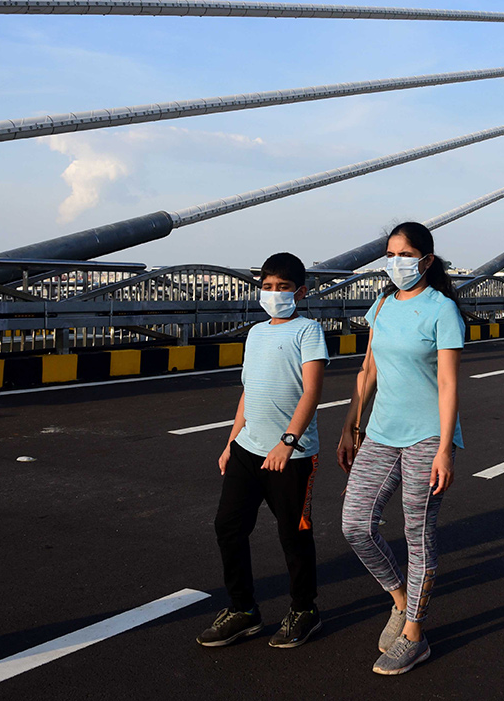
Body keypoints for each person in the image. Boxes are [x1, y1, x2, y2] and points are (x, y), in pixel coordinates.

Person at [339, 222, 464, 676]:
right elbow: (367, 370)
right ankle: (399, 601)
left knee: (418, 532)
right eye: (390, 254)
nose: (396, 263)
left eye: (405, 254)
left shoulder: (441, 310)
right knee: (355, 524)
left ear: (426, 261)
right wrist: (350, 422)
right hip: (382, 431)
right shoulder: (381, 306)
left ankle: (415, 634)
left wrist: (445, 448)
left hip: (428, 434)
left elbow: (448, 383)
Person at [198, 253, 329, 649]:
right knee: (229, 527)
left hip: (292, 454)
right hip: (247, 449)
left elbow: (312, 391)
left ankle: (304, 609)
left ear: (300, 292)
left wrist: (287, 442)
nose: (274, 294)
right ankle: (243, 610)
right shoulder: (255, 333)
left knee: (293, 535)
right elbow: (248, 391)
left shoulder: (308, 331)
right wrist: (230, 440)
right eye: (267, 287)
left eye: (283, 287)